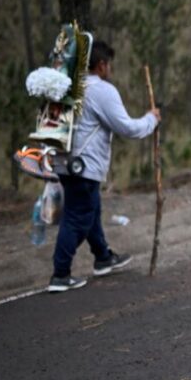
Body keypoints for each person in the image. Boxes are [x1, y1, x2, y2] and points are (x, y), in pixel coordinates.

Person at [47, 41, 161, 292]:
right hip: (85, 166)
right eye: (109, 65)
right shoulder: (101, 90)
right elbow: (127, 128)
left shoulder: (69, 87)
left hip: (65, 163)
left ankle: (103, 257)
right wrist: (150, 120)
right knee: (77, 218)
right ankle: (60, 274)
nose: (110, 69)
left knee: (91, 209)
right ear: (101, 65)